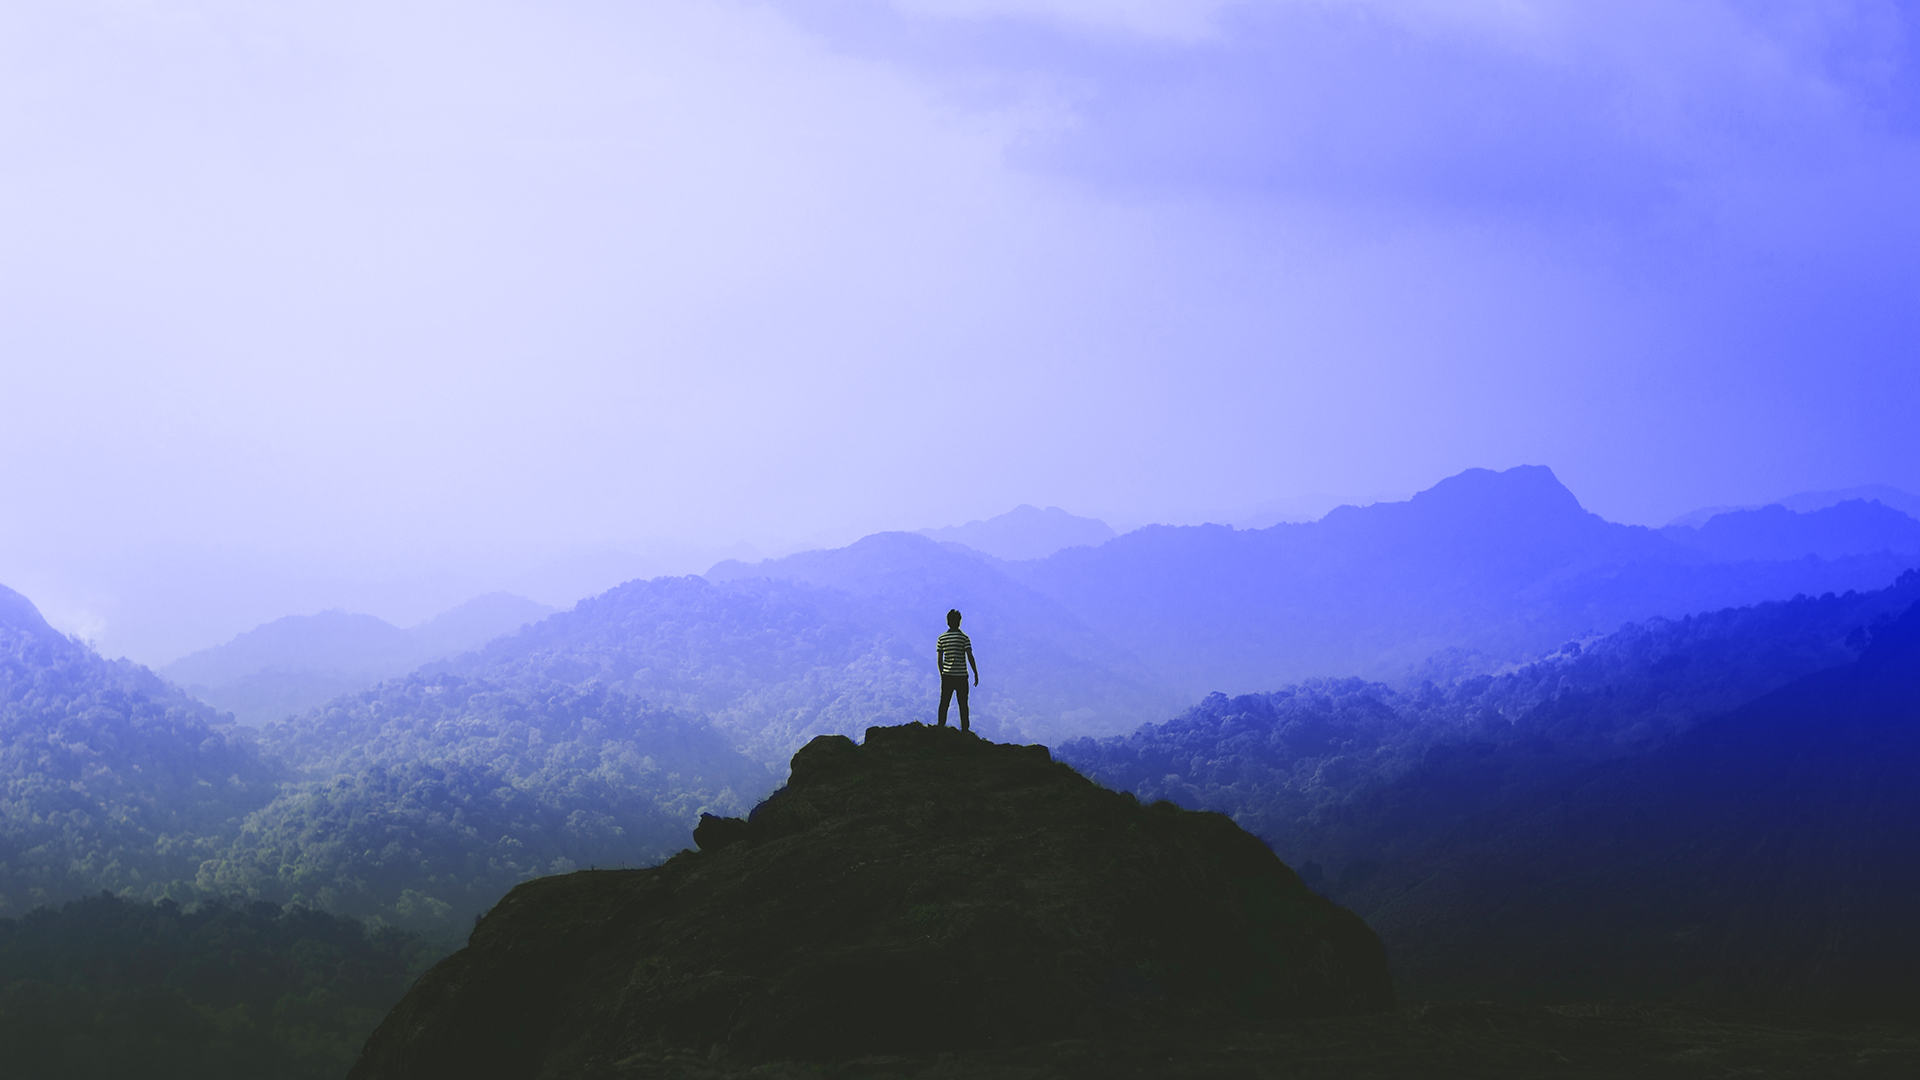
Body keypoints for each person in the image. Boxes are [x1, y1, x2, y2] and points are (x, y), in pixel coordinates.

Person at [935, 608, 979, 731]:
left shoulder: (941, 638)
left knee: (944, 703)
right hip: (961, 676)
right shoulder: (964, 638)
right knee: (963, 704)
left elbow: (939, 659)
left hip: (947, 676)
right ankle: (965, 730)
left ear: (947, 622)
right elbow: (970, 656)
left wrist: (942, 673)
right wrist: (975, 672)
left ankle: (940, 727)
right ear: (959, 622)